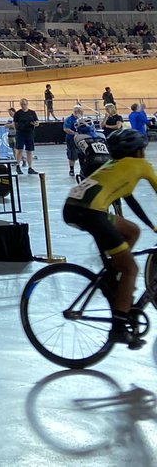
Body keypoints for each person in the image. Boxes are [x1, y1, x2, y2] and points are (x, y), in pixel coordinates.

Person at [63, 128, 157, 349]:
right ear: (140, 151)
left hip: (76, 208)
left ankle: (114, 277)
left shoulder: (114, 166)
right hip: (91, 213)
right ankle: (119, 328)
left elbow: (129, 199)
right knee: (131, 269)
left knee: (132, 231)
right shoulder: (140, 165)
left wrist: (151, 226)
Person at [72, 116, 111, 182]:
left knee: (83, 177)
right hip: (107, 161)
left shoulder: (78, 137)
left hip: (91, 163)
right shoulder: (102, 135)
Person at [12, 99, 39, 175]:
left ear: (27, 104)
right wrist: (17, 130)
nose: (23, 106)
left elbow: (37, 122)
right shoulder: (18, 113)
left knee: (29, 150)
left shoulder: (32, 113)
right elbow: (14, 123)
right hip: (20, 133)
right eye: (22, 104)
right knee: (19, 149)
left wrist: (36, 124)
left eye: (24, 104)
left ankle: (30, 167)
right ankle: (18, 166)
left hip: (29, 133)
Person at [64, 106, 85, 177]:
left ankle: (83, 169)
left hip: (82, 139)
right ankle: (71, 170)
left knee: (83, 154)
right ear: (75, 112)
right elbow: (66, 129)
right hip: (71, 139)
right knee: (72, 154)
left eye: (81, 111)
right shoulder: (69, 119)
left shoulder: (83, 119)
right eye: (79, 111)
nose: (80, 113)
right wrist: (75, 133)